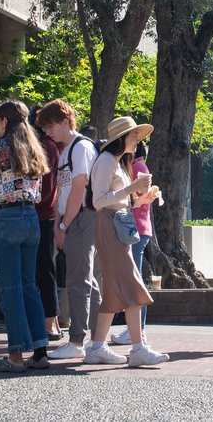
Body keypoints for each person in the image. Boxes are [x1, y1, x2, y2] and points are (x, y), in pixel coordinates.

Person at [83, 117, 168, 366]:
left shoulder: (116, 163)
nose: (137, 141)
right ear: (121, 138)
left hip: (116, 225)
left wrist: (142, 199)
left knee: (113, 290)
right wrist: (132, 189)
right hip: (110, 226)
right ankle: (138, 347)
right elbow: (98, 201)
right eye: (133, 136)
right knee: (132, 286)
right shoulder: (107, 161)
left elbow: (115, 200)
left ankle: (97, 346)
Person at [0, 100, 52, 373]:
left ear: (4, 121)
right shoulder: (34, 148)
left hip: (5, 218)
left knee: (9, 289)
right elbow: (40, 188)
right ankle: (41, 351)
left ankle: (16, 356)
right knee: (30, 285)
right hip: (31, 218)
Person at [35, 99, 100, 360]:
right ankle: (97, 340)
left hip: (82, 219)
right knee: (86, 281)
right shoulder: (68, 150)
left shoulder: (80, 148)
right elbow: (66, 190)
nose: (47, 132)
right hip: (75, 219)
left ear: (65, 121)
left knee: (78, 280)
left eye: (50, 126)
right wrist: (60, 222)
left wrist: (62, 224)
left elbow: (78, 189)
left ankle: (78, 340)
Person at [111, 139, 155, 345]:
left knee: (133, 280)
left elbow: (132, 199)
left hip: (134, 228)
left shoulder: (136, 167)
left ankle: (138, 330)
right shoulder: (141, 167)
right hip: (140, 228)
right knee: (134, 278)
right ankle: (136, 330)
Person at [30, 109, 64, 342]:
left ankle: (51, 322)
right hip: (42, 214)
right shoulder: (47, 146)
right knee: (41, 270)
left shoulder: (46, 146)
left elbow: (47, 188)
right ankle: (49, 321)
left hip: (43, 215)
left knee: (44, 270)